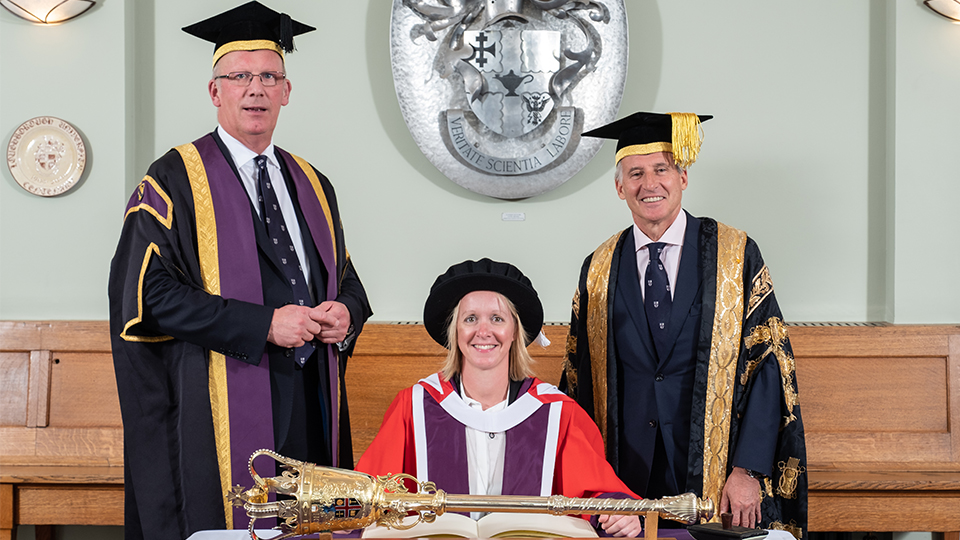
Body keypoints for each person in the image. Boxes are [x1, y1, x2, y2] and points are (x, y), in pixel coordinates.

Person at [108, 3, 372, 539]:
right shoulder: (176, 177)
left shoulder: (314, 183)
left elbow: (343, 275)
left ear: (286, 91)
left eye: (268, 76)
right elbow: (145, 293)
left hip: (312, 395)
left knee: (310, 529)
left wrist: (348, 310)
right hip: (220, 398)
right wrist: (261, 325)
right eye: (240, 76)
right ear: (216, 92)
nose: (256, 89)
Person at [562, 112, 807, 538]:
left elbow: (768, 366)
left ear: (683, 177)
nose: (649, 183)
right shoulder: (598, 268)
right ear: (620, 188)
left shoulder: (735, 254)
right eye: (635, 173)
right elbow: (578, 379)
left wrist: (747, 469)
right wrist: (593, 485)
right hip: (625, 477)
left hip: (715, 470)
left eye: (662, 169)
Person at [356, 258, 642, 537]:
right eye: (470, 319)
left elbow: (597, 490)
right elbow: (368, 493)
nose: (483, 332)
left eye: (497, 318)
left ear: (515, 331)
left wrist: (618, 513)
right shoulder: (414, 407)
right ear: (455, 331)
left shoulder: (555, 412)